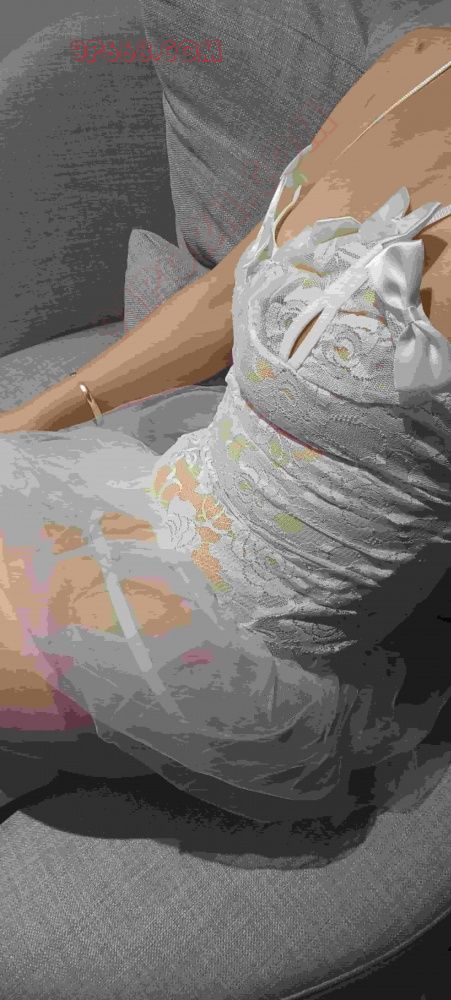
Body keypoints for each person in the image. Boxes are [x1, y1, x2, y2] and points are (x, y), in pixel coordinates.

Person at [0, 26, 450, 838]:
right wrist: (24, 424)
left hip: (243, 656)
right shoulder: (421, 60)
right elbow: (219, 298)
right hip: (153, 493)